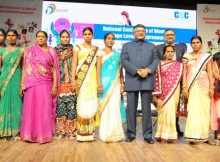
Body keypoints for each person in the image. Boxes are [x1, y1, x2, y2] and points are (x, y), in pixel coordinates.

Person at [121, 24, 159, 144]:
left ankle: (148, 135)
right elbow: (124, 61)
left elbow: (155, 60)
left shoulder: (152, 46)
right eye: (138, 31)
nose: (140, 33)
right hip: (132, 79)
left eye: (142, 31)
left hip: (147, 79)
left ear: (145, 33)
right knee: (131, 109)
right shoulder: (126, 46)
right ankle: (131, 134)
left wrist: (147, 70)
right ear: (133, 33)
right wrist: (137, 71)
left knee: (146, 109)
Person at [20, 31, 60, 144]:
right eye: (38, 36)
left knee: (44, 110)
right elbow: (24, 68)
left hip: (46, 84)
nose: (40, 38)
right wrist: (22, 84)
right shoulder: (29, 51)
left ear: (47, 38)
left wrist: (55, 86)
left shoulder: (52, 51)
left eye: (43, 36)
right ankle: (29, 135)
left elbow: (54, 70)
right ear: (36, 38)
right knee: (30, 110)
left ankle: (44, 135)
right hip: (31, 84)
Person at [182, 36, 213, 144]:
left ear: (201, 43)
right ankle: (193, 136)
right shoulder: (186, 56)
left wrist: (211, 87)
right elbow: (184, 74)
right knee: (193, 110)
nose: (195, 44)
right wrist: (184, 87)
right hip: (192, 85)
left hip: (204, 85)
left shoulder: (207, 56)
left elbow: (210, 72)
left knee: (205, 110)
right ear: (191, 44)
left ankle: (205, 136)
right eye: (193, 43)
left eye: (197, 42)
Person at [155, 29, 186, 136]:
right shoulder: (157, 48)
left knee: (175, 106)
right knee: (164, 106)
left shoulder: (181, 48)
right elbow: (156, 64)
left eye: (172, 35)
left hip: (176, 81)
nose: (170, 36)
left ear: (175, 37)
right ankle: (163, 130)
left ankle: (175, 128)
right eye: (167, 35)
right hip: (164, 82)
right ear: (164, 36)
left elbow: (182, 64)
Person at [97, 33, 126, 142]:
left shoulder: (118, 54)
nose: (110, 40)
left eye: (112, 39)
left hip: (116, 84)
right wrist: (99, 84)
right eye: (108, 39)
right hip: (104, 84)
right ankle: (105, 134)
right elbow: (98, 70)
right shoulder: (100, 53)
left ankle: (115, 133)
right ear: (104, 40)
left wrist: (122, 83)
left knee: (115, 108)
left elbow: (120, 71)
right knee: (105, 109)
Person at [153, 45, 183, 143]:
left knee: (171, 113)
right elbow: (156, 79)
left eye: (171, 51)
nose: (170, 53)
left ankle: (170, 135)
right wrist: (155, 95)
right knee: (163, 112)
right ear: (164, 53)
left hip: (174, 91)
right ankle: (161, 134)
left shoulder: (179, 65)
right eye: (168, 51)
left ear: (173, 53)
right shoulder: (159, 64)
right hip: (162, 92)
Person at [74, 27, 99, 142]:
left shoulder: (96, 49)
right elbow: (74, 64)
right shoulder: (77, 48)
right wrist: (74, 80)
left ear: (92, 35)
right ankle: (81, 133)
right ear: (82, 35)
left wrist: (99, 82)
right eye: (85, 34)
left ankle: (90, 133)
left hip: (92, 79)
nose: (87, 36)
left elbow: (97, 68)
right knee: (82, 104)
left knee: (91, 104)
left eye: (89, 34)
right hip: (80, 79)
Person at [0, 29, 24, 141]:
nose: (10, 37)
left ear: (17, 37)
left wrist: (22, 83)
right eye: (8, 35)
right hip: (4, 80)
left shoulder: (21, 51)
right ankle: (4, 132)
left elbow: (23, 68)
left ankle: (17, 131)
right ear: (6, 37)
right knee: (4, 104)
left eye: (13, 35)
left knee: (17, 103)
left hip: (17, 78)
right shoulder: (1, 50)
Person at [55, 30, 77, 140]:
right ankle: (60, 131)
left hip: (71, 81)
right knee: (60, 108)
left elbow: (75, 65)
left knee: (71, 107)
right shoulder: (54, 51)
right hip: (60, 82)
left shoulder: (73, 50)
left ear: (69, 38)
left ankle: (71, 131)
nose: (65, 38)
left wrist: (73, 79)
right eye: (63, 37)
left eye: (66, 37)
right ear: (59, 38)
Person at [210, 52, 220, 146]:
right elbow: (215, 74)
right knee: (218, 115)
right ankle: (218, 137)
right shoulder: (216, 56)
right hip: (218, 90)